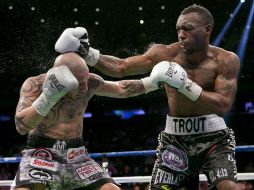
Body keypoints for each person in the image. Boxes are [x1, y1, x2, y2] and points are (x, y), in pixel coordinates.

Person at [54, 4, 241, 190]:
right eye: (178, 29)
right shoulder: (165, 54)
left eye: (187, 29)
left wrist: (185, 85)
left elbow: (223, 104)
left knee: (228, 186)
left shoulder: (226, 60)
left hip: (214, 139)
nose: (181, 34)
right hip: (176, 140)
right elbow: (122, 67)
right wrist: (87, 53)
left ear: (207, 29)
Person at [12, 52, 159, 190]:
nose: (86, 87)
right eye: (80, 83)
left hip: (77, 156)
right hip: (40, 155)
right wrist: (48, 97)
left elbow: (121, 89)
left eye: (86, 80)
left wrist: (154, 82)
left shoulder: (90, 82)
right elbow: (21, 127)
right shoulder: (35, 85)